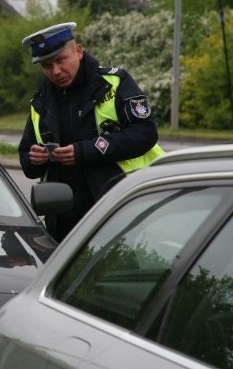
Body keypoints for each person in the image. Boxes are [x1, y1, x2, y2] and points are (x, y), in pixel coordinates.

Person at [18, 22, 165, 242]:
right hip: (63, 220)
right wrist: (35, 159)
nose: (56, 71)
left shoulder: (115, 83)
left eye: (60, 60)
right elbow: (26, 162)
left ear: (78, 51)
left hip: (119, 205)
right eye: (47, 66)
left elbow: (145, 134)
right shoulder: (40, 102)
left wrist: (84, 151)